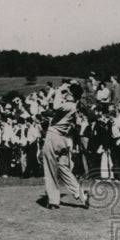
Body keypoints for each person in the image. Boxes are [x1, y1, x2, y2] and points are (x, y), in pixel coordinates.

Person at [41, 82, 90, 210]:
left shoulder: (69, 105)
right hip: (61, 140)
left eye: (68, 93)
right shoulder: (72, 106)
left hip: (52, 137)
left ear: (72, 95)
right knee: (64, 169)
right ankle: (81, 195)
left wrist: (58, 90)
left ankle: (53, 201)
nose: (65, 94)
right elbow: (55, 111)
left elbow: (56, 106)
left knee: (50, 169)